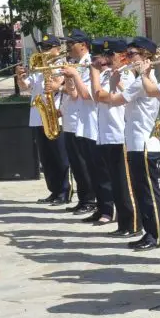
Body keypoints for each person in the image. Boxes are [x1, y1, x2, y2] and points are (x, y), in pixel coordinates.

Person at [95, 37, 160, 251]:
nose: (129, 57)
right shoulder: (140, 81)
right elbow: (123, 96)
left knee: (148, 194)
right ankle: (149, 233)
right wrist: (116, 83)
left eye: (133, 54)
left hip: (143, 143)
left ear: (145, 56)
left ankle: (155, 235)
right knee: (141, 191)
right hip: (135, 141)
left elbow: (116, 100)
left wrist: (110, 86)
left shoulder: (144, 80)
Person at [91, 37, 138, 234]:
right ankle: (123, 223)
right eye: (105, 55)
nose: (107, 59)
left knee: (124, 185)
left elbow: (100, 96)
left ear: (122, 56)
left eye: (111, 55)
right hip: (107, 134)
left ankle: (132, 224)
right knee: (116, 185)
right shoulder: (108, 74)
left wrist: (93, 72)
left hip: (119, 134)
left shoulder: (126, 74)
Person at [17, 35, 70, 206]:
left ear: (57, 49)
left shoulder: (61, 66)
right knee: (46, 158)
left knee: (59, 157)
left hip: (55, 116)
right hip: (38, 116)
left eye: (48, 48)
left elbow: (59, 84)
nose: (44, 51)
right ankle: (53, 190)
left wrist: (53, 78)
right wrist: (20, 77)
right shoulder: (39, 67)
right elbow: (26, 86)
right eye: (42, 48)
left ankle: (64, 191)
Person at [66, 29, 112, 223]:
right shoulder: (81, 66)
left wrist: (75, 75)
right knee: (92, 170)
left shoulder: (92, 68)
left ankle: (108, 209)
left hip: (94, 124)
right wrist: (69, 80)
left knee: (101, 172)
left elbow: (89, 95)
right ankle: (101, 208)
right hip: (84, 124)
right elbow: (75, 94)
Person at [59, 30, 96, 214]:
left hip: (81, 119)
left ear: (83, 44)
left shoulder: (89, 64)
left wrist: (69, 79)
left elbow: (81, 94)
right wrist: (66, 79)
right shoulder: (76, 64)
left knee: (83, 164)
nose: (68, 46)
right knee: (76, 164)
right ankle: (83, 198)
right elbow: (72, 92)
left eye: (71, 43)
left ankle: (90, 199)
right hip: (71, 119)